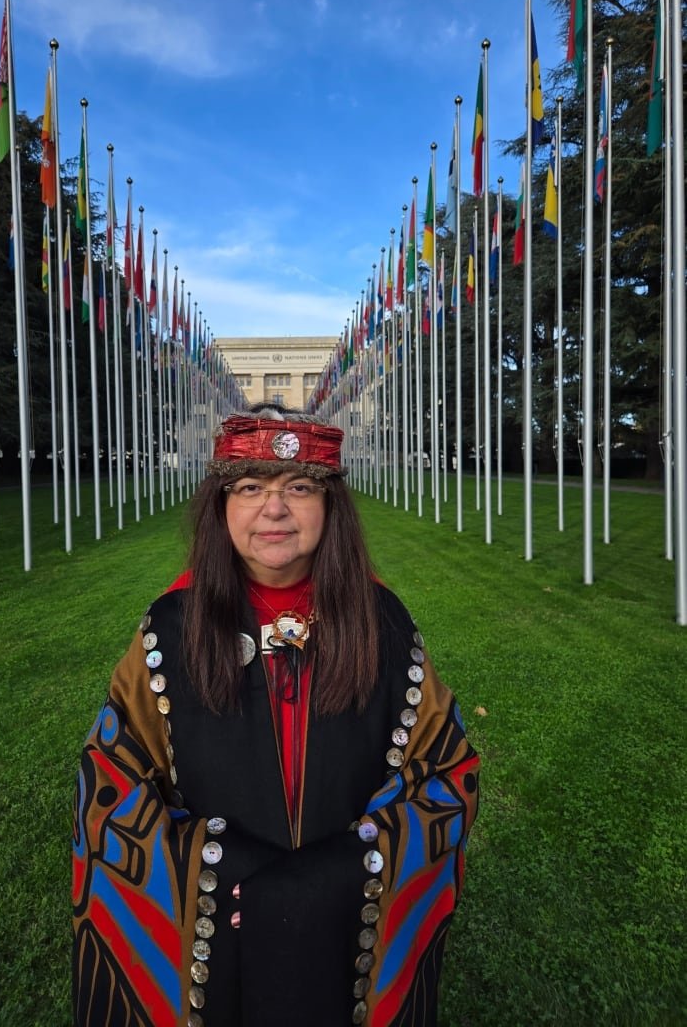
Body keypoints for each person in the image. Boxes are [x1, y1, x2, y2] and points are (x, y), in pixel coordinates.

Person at [72, 404, 479, 1027]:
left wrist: (349, 870)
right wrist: (215, 867)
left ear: (330, 505)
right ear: (222, 506)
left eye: (299, 487)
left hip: (343, 925)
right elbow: (111, 785)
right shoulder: (170, 628)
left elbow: (448, 774)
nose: (274, 509)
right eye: (250, 488)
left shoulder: (384, 623)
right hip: (215, 930)